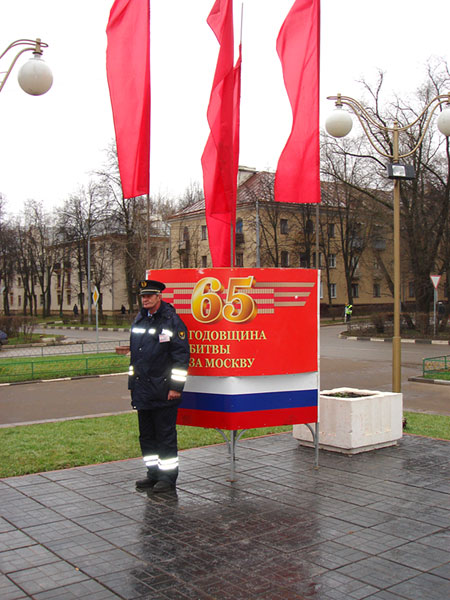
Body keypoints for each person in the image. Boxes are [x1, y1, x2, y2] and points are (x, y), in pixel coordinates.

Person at [129, 279, 190, 493]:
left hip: (164, 391)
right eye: (143, 296)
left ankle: (167, 478)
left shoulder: (171, 321)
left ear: (159, 297)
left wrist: (176, 387)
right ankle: (153, 473)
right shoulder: (140, 319)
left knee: (165, 436)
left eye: (149, 296)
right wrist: (132, 385)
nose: (145, 299)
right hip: (143, 390)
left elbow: (181, 357)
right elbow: (136, 358)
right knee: (146, 436)